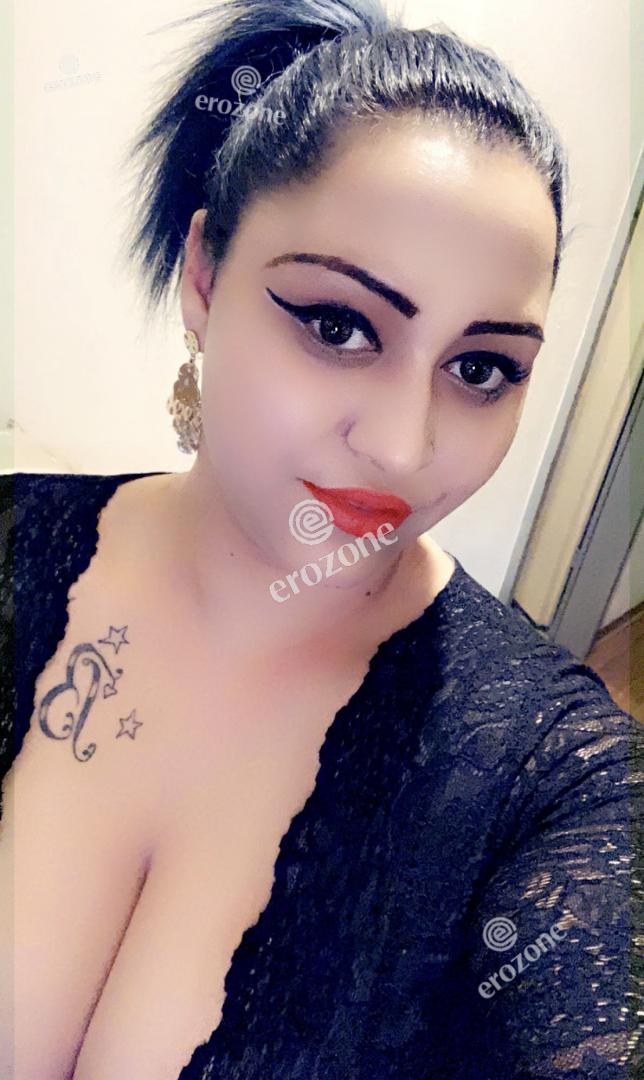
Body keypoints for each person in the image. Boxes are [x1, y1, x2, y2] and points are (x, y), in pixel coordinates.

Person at [1, 0, 642, 1077]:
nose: (401, 445)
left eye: (481, 367)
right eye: (339, 325)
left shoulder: (550, 780)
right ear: (204, 276)